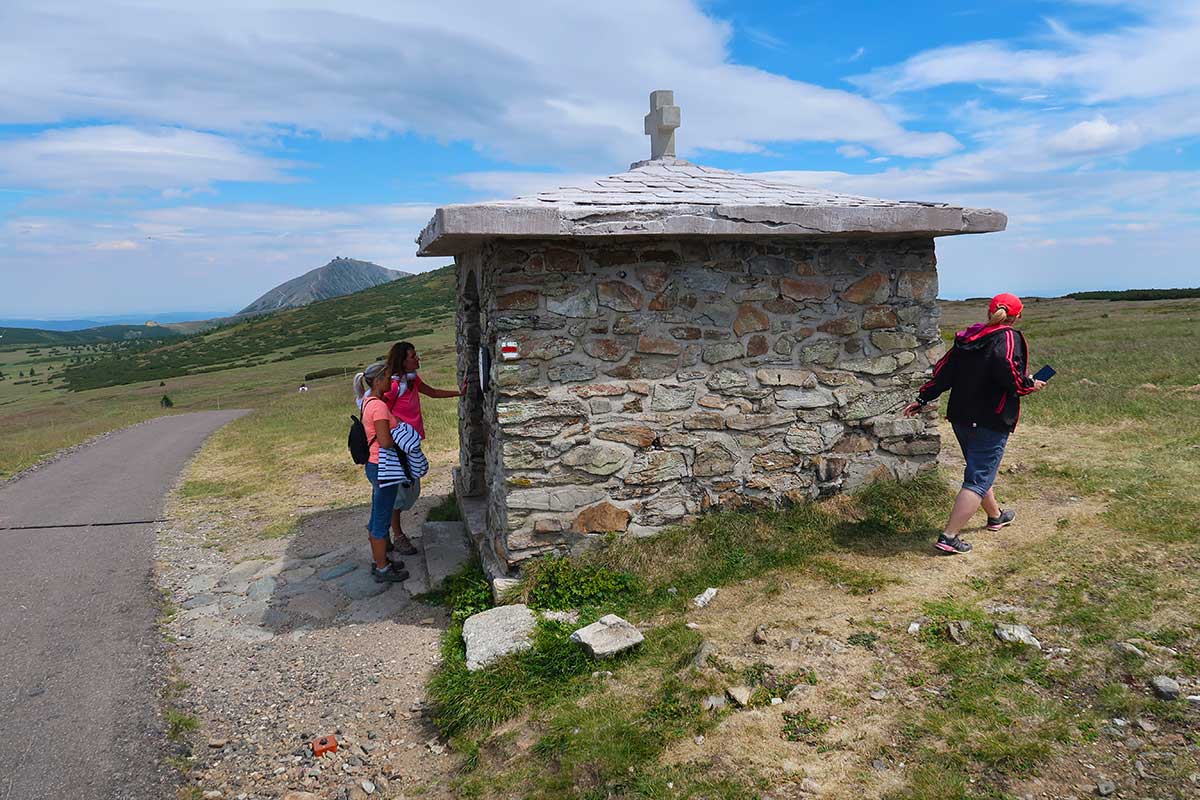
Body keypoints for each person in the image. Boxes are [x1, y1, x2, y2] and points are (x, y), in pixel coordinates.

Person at [902, 292, 1047, 555]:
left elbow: (944, 373)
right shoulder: (1007, 337)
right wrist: (1030, 385)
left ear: (988, 311)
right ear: (1017, 316)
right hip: (991, 419)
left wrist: (922, 399)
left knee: (979, 469)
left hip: (961, 416)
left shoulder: (967, 338)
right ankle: (949, 537)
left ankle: (996, 517)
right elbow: (1010, 374)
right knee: (978, 478)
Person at [379, 341, 466, 555]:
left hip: (410, 443)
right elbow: (381, 410)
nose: (417, 359)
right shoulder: (392, 385)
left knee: (410, 490)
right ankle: (396, 536)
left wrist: (459, 393)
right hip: (398, 448)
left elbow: (432, 392)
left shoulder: (412, 379)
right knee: (400, 491)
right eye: (413, 356)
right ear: (402, 361)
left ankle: (380, 529)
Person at [353, 363, 411, 583]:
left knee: (378, 512)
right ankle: (382, 568)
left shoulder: (368, 402)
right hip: (384, 467)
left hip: (374, 465)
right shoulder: (378, 406)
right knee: (381, 518)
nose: (391, 382)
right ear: (377, 381)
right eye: (387, 378)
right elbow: (385, 441)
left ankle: (381, 560)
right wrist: (403, 437)